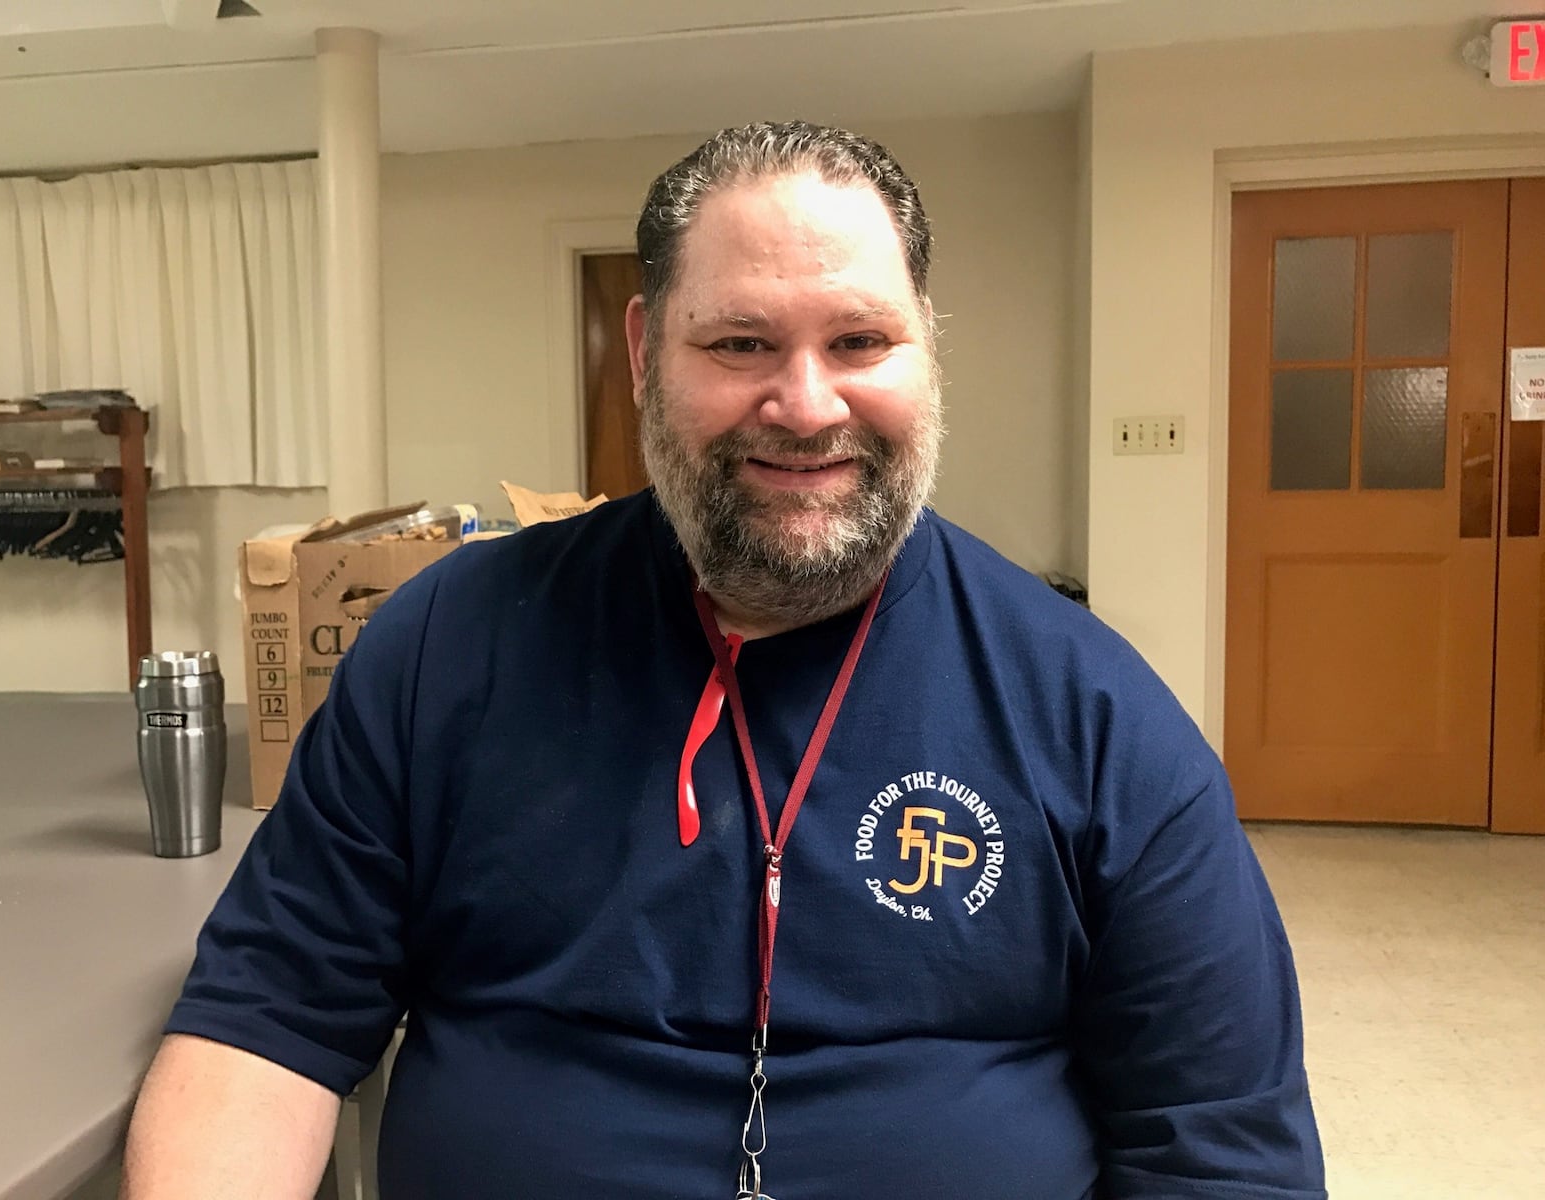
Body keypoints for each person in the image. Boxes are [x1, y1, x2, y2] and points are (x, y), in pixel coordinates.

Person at [122, 122, 1326, 1199]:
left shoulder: (1097, 712)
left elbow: (1218, 1149)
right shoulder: (444, 645)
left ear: (927, 355)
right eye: (742, 342)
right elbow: (264, 1029)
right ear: (646, 349)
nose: (805, 405)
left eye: (859, 339)